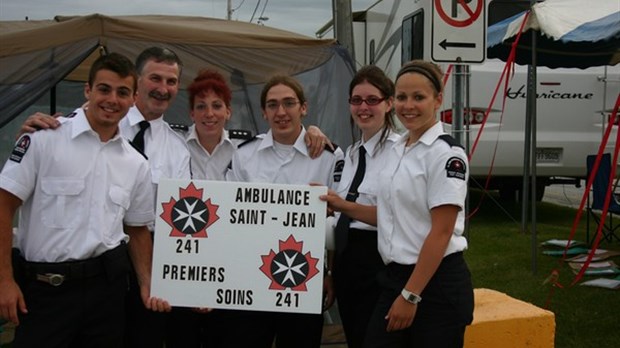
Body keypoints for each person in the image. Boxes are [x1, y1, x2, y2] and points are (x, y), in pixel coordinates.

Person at [19, 46, 191, 348]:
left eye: (171, 82)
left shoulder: (178, 148)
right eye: (155, 78)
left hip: (136, 264)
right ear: (138, 83)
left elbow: (173, 218)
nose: (163, 89)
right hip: (66, 275)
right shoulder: (65, 127)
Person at [322, 60, 474, 347]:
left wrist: (410, 295)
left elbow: (441, 232)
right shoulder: (399, 150)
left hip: (435, 281)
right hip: (395, 275)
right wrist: (339, 205)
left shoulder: (445, 154)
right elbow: (389, 214)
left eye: (419, 97)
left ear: (438, 100)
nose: (408, 105)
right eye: (403, 97)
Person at [225, 74, 344, 348]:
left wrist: (330, 274)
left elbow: (338, 223)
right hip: (250, 276)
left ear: (304, 107)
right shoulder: (245, 154)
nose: (281, 112)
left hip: (303, 276)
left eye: (289, 103)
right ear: (264, 113)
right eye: (273, 105)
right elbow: (232, 219)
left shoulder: (329, 157)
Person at [330, 65, 400, 348]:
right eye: (356, 100)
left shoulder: (400, 152)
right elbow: (340, 221)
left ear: (389, 103)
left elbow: (398, 218)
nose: (363, 107)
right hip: (347, 262)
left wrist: (341, 205)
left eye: (372, 100)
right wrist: (334, 272)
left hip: (379, 262)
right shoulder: (350, 153)